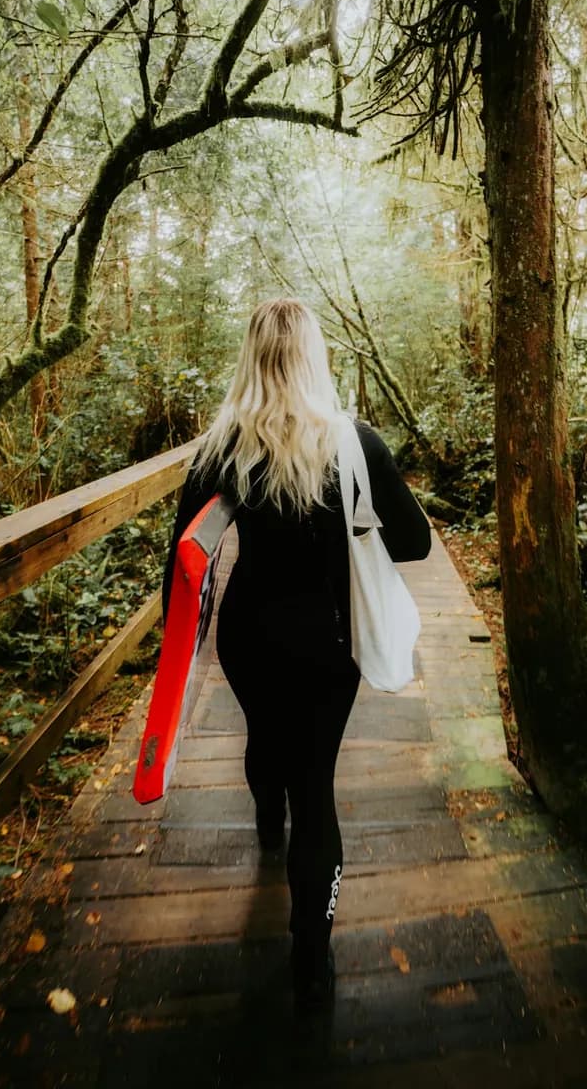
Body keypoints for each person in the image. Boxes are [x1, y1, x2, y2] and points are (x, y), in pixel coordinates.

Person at [162, 298, 431, 1010]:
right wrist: (359, 516)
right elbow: (414, 543)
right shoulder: (355, 443)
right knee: (318, 783)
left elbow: (185, 555)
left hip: (249, 639)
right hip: (327, 641)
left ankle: (264, 819)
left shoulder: (222, 446)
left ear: (252, 357)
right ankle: (312, 955)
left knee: (266, 739)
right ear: (316, 357)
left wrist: (178, 653)